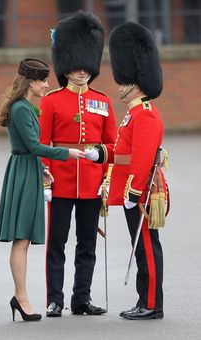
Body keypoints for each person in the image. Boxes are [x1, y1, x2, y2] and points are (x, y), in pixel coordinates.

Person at [85, 22, 169, 320]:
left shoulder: (144, 115)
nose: (120, 86)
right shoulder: (134, 113)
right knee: (142, 249)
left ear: (135, 82)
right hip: (132, 189)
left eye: (123, 82)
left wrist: (133, 191)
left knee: (146, 247)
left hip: (141, 192)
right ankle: (144, 300)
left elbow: (142, 158)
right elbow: (123, 154)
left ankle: (151, 304)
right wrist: (104, 164)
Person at [0, 58, 85, 322]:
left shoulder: (24, 106)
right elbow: (34, 146)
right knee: (21, 239)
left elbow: (28, 147)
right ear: (30, 82)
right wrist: (66, 152)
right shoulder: (22, 108)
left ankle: (19, 296)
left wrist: (41, 167)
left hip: (27, 169)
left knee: (23, 240)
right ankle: (21, 298)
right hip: (23, 172)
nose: (46, 85)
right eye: (43, 81)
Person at [39, 11, 117, 317]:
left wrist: (106, 170)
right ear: (66, 65)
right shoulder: (52, 101)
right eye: (76, 65)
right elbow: (43, 144)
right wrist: (45, 178)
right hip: (60, 179)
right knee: (56, 244)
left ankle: (81, 299)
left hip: (92, 182)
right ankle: (55, 299)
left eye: (87, 66)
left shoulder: (103, 101)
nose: (82, 71)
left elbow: (114, 146)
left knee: (87, 245)